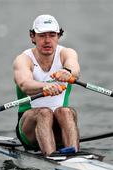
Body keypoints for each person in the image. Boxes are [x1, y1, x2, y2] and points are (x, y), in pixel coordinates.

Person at [13, 14, 80, 155]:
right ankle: (51, 157)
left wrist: (68, 72)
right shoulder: (23, 59)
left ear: (58, 36)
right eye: (42, 35)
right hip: (29, 129)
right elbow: (25, 84)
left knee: (66, 111)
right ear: (32, 37)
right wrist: (44, 86)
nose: (47, 40)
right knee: (45, 112)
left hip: (59, 127)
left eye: (52, 35)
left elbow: (75, 69)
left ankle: (74, 156)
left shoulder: (67, 53)